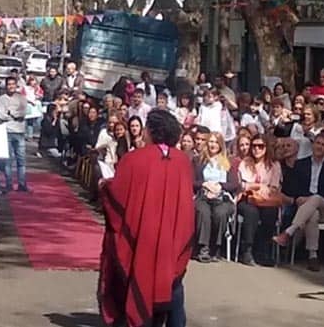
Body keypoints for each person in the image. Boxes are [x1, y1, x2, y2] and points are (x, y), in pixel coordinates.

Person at [98, 110, 194, 327]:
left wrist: (105, 187)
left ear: (151, 130)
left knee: (141, 275)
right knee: (173, 282)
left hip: (143, 233)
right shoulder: (182, 161)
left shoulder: (134, 159)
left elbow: (118, 196)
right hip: (173, 233)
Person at [273, 132, 324, 271]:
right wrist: (301, 197)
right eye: (318, 143)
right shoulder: (300, 164)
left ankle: (289, 232)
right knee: (313, 215)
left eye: (323, 145)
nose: (319, 147)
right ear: (313, 145)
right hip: (307, 207)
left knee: (316, 199)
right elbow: (295, 188)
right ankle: (313, 256)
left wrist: (310, 198)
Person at [236, 135, 285, 266]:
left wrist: (262, 189)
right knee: (251, 213)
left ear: (266, 148)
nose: (256, 149)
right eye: (254, 146)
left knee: (270, 213)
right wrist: (259, 186)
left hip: (266, 199)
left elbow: (274, 187)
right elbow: (243, 185)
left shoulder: (274, 165)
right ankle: (247, 249)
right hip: (248, 198)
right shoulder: (245, 163)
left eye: (260, 146)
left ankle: (263, 250)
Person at [192, 132, 236, 263]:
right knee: (202, 211)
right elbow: (191, 181)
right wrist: (205, 184)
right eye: (211, 141)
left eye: (216, 142)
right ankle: (203, 248)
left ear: (221, 145)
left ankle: (215, 247)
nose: (213, 145)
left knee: (220, 213)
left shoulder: (228, 162)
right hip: (203, 195)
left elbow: (234, 184)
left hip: (222, 197)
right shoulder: (198, 160)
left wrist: (220, 186)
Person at [0, 76, 29, 192]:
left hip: (20, 131)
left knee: (21, 160)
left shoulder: (22, 98)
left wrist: (11, 112)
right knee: (8, 160)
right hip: (7, 131)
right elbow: (1, 115)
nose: (11, 86)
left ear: (16, 85)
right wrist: (15, 114)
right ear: (6, 86)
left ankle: (22, 184)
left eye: (13, 84)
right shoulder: (1, 99)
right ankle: (9, 184)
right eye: (9, 84)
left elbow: (24, 112)